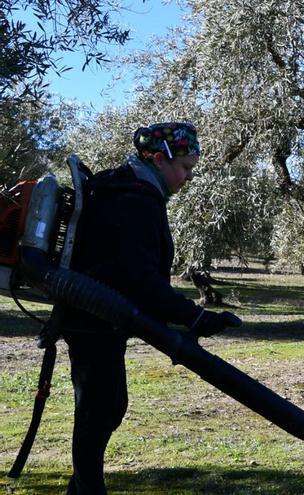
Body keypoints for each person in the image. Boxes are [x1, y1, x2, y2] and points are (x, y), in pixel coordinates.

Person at [60, 122, 240, 494]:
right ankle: (87, 490)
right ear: (159, 159)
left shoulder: (131, 189)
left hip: (97, 318)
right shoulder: (135, 199)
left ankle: (82, 488)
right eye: (185, 168)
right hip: (93, 319)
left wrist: (189, 318)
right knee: (101, 407)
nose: (188, 177)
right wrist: (196, 317)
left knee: (106, 405)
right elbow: (138, 279)